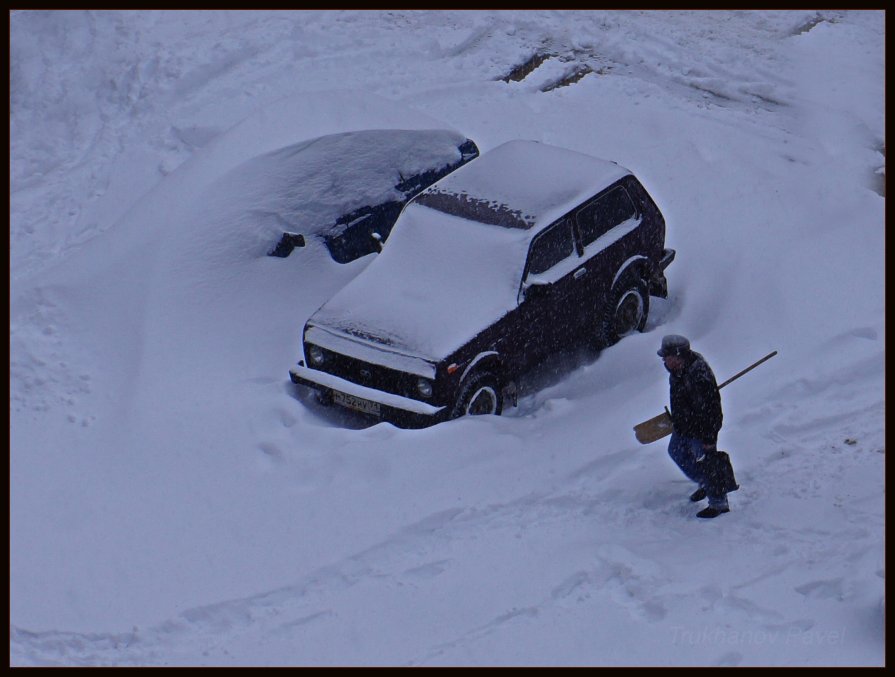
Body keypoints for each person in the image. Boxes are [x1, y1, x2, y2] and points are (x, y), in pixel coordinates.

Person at [657, 335, 737, 519]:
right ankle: (703, 482)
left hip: (701, 430)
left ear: (678, 356)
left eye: (666, 356)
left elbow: (713, 411)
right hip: (684, 426)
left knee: (708, 463)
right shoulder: (676, 371)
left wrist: (709, 438)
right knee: (676, 451)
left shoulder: (699, 376)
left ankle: (718, 503)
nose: (663, 359)